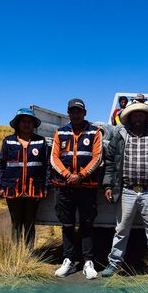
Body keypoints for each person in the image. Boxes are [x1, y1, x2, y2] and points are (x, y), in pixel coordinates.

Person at [101, 102, 148, 277]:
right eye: (135, 115)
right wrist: (108, 185)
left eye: (141, 115)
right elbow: (110, 162)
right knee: (121, 230)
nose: (138, 118)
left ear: (145, 117)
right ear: (130, 117)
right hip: (126, 190)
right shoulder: (119, 135)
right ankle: (114, 264)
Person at [50, 98, 103, 279]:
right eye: (73, 111)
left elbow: (97, 157)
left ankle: (88, 261)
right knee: (67, 225)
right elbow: (54, 158)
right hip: (64, 187)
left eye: (79, 111)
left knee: (87, 224)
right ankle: (68, 260)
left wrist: (80, 176)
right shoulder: (60, 132)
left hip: (87, 186)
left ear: (85, 113)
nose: (76, 114)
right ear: (68, 113)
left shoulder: (95, 132)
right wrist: (68, 175)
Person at [0, 108, 51, 249]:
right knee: (16, 222)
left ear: (33, 124)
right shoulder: (8, 142)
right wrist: (0, 186)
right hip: (12, 189)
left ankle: (28, 253)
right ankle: (16, 252)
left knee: (30, 222)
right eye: (23, 121)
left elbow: (47, 166)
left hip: (34, 189)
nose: (26, 124)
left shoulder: (41, 142)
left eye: (29, 122)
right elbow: (1, 164)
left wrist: (45, 187)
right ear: (18, 124)